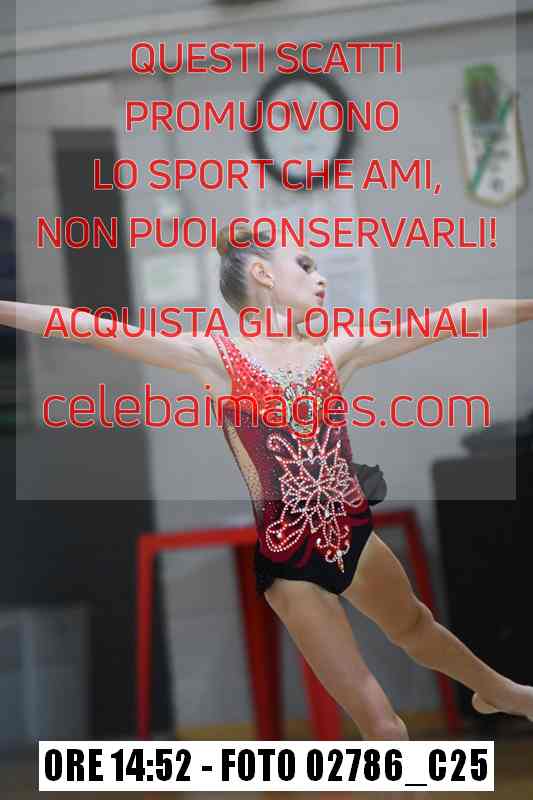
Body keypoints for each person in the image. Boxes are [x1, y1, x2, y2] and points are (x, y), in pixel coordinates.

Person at [2, 220, 533, 744]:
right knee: (383, 728)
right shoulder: (215, 358)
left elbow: (450, 319)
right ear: (263, 274)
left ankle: (503, 692)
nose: (320, 277)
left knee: (416, 629)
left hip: (352, 536)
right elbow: (85, 327)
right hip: (290, 563)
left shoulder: (334, 352)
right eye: (304, 264)